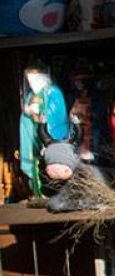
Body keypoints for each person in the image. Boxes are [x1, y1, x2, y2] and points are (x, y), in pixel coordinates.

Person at [19, 61, 71, 197]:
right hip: (34, 136)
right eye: (29, 80)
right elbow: (26, 116)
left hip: (50, 135)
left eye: (34, 79)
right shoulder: (31, 95)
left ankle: (57, 193)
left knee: (54, 164)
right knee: (35, 162)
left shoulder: (53, 92)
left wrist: (44, 115)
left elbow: (57, 114)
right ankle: (38, 192)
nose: (31, 83)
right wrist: (28, 111)